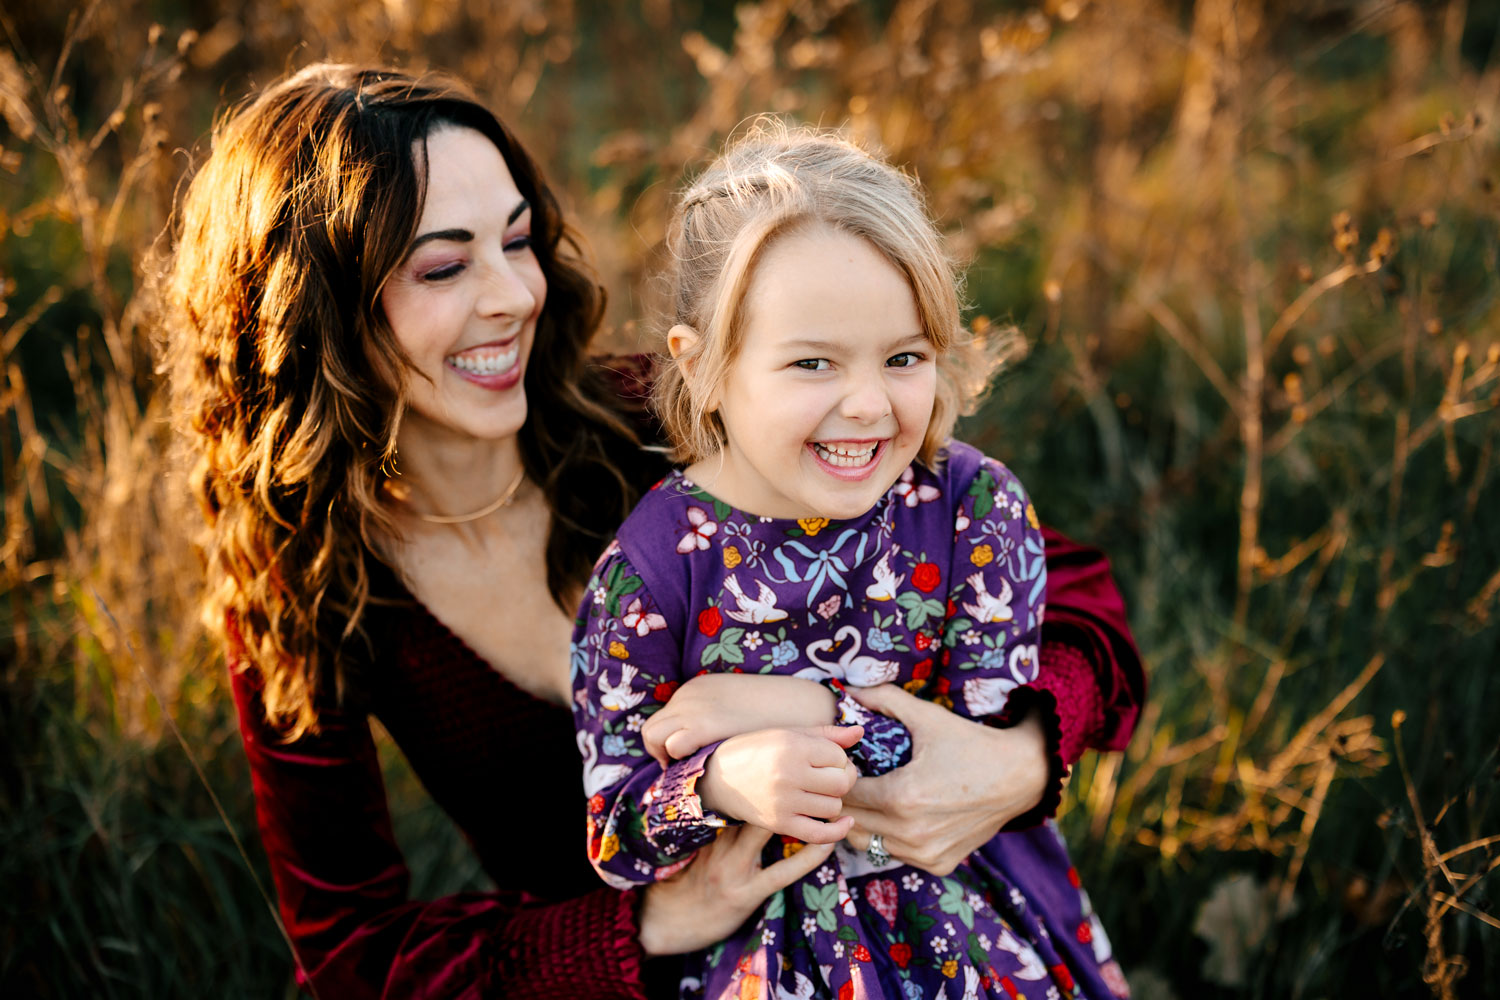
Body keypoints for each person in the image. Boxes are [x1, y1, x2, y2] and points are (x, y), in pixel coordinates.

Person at [156, 62, 1143, 999]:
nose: (512, 295)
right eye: (445, 265)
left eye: (518, 239)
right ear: (314, 313)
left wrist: (1014, 756)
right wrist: (652, 923)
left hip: (934, 916)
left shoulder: (659, 423)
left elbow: (1072, 595)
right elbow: (353, 952)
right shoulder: (311, 596)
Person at [572, 125, 1132, 999]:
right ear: (705, 369)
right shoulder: (650, 571)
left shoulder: (971, 510)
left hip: (965, 913)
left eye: (904, 357)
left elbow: (976, 750)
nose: (869, 405)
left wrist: (795, 707)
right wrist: (719, 778)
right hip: (766, 951)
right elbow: (615, 833)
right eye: (812, 363)